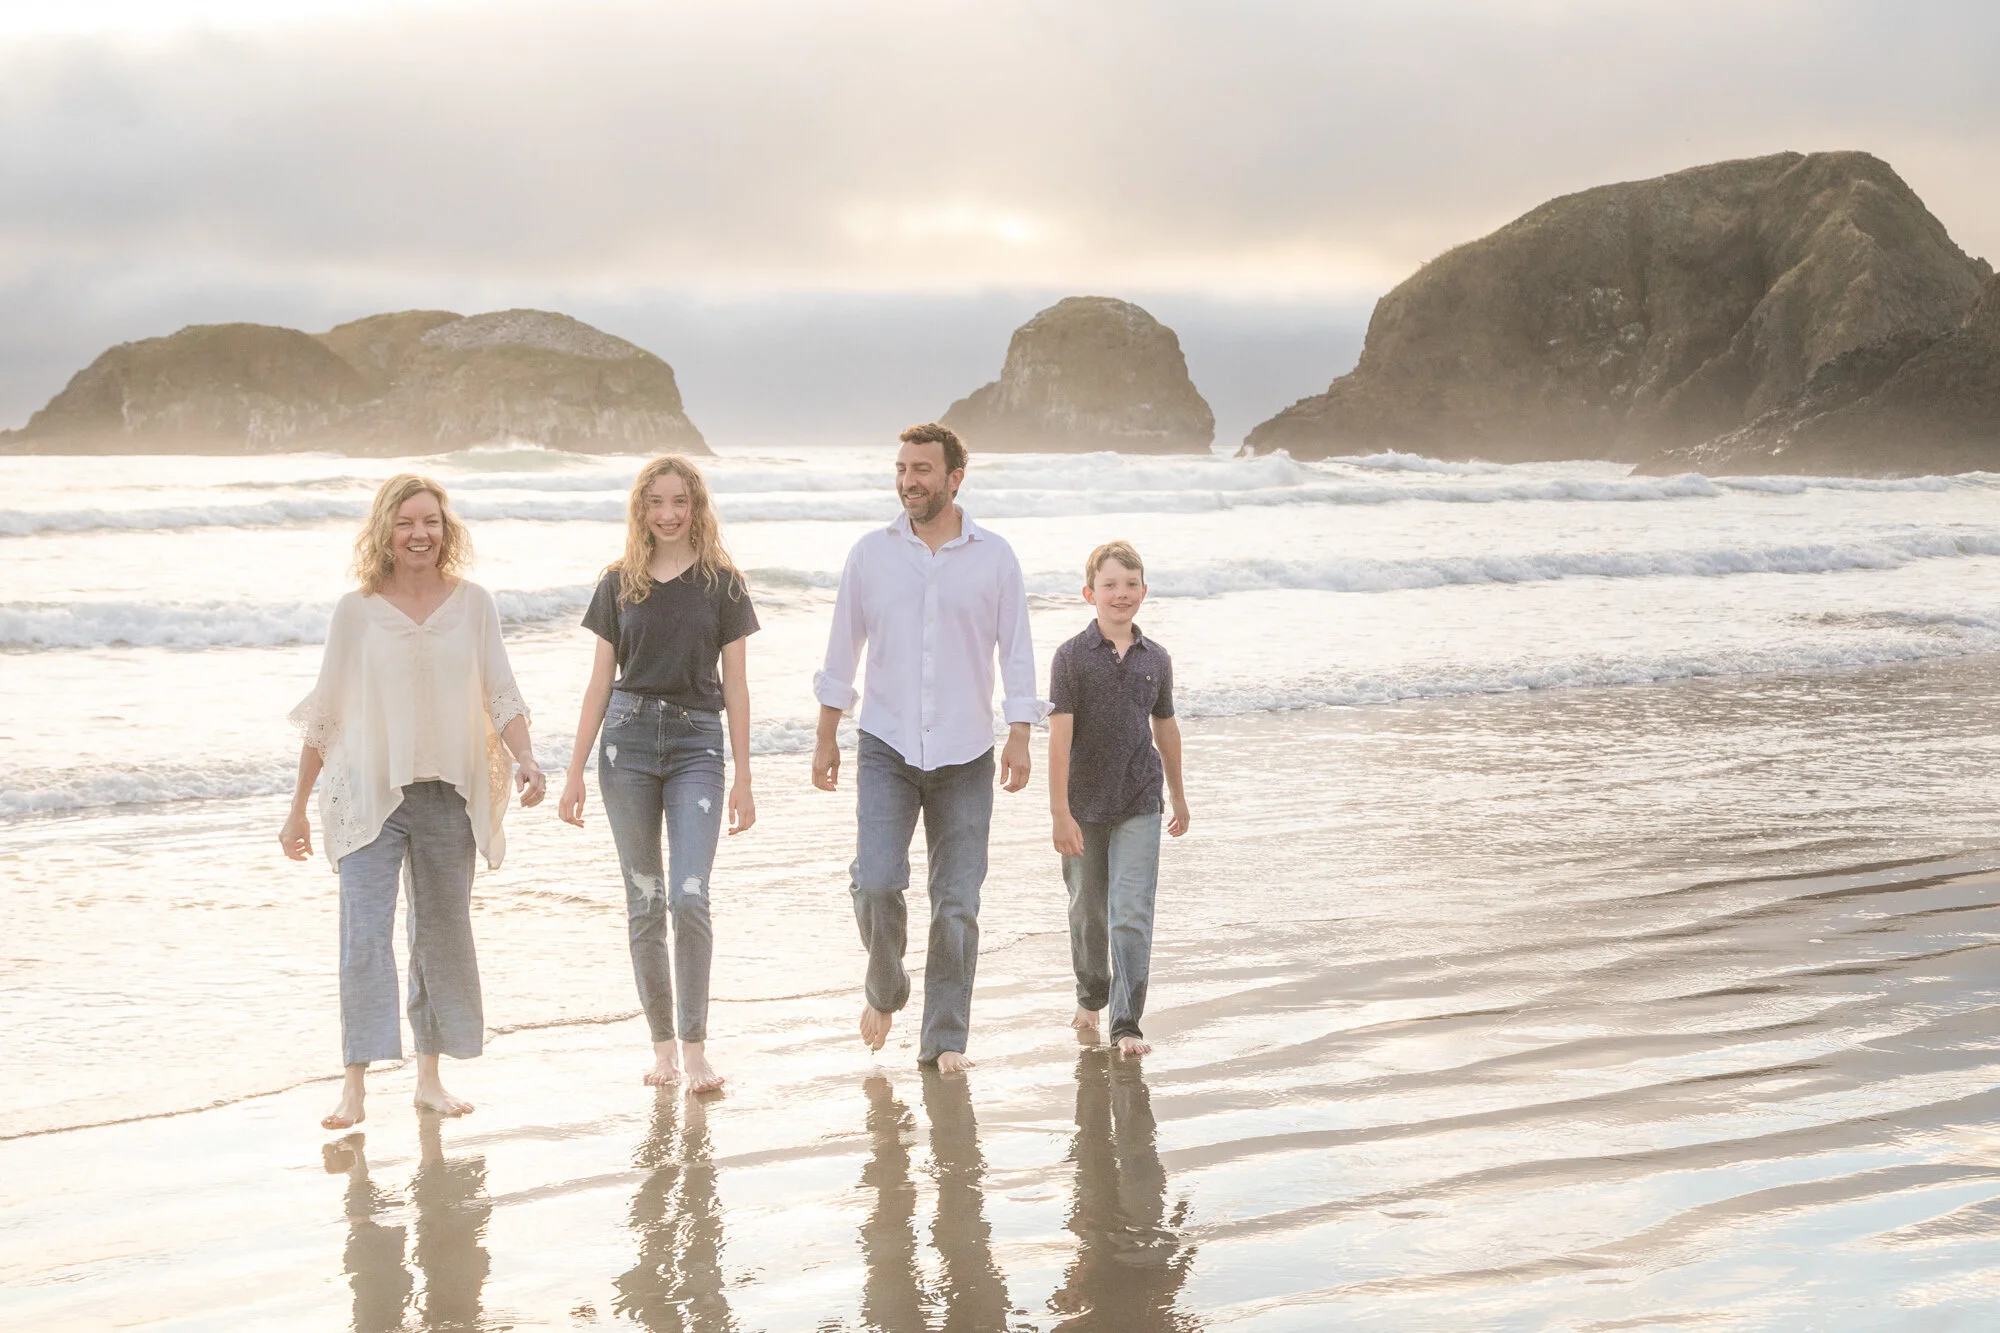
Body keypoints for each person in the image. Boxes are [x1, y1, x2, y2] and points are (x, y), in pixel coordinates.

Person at [281, 474, 545, 1129]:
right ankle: (355, 1087)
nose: (419, 533)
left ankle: (429, 1078)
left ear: (446, 528)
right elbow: (327, 715)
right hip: (371, 793)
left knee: (441, 936)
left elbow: (502, 694)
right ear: (385, 532)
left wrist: (529, 758)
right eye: (405, 522)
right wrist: (295, 807)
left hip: (447, 797)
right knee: (364, 937)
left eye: (430, 520)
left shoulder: (475, 604)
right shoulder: (357, 610)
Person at [812, 422, 1046, 1072]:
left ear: (954, 477)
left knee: (957, 904)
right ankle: (886, 987)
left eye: (921, 469)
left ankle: (943, 1040)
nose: (908, 480)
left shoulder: (994, 556)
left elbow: (1017, 650)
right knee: (878, 884)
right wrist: (826, 732)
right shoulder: (871, 553)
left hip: (966, 751)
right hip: (885, 744)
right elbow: (842, 649)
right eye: (901, 468)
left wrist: (1020, 732)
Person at [560, 456, 758, 1094]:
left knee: (689, 897)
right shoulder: (618, 583)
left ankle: (697, 1049)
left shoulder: (724, 584)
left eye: (680, 502)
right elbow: (598, 682)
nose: (668, 514)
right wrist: (573, 772)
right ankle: (664, 1051)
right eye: (656, 503)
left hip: (699, 745)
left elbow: (738, 685)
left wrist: (746, 775)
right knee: (645, 902)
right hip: (627, 747)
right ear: (640, 510)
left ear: (697, 507)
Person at [1047, 540, 1189, 1058]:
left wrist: (1178, 795)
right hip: (1083, 806)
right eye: (1110, 585)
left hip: (1139, 800)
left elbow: (1166, 728)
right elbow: (1059, 739)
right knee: (1087, 910)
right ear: (1090, 593)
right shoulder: (1070, 658)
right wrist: (1060, 813)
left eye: (1130, 585)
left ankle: (1126, 1025)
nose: (1120, 594)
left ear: (1144, 591)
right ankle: (1091, 993)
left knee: (1131, 912)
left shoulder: (1158, 659)